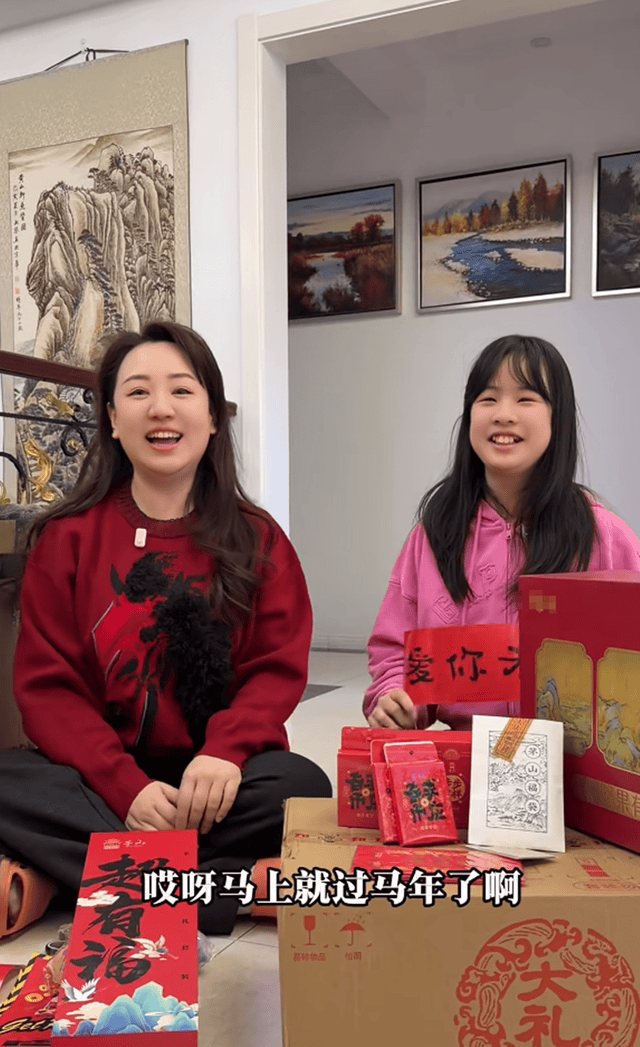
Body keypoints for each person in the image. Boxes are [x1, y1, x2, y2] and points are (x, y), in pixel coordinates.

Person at [0, 320, 331, 940]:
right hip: (102, 779)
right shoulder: (66, 538)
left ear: (212, 417)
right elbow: (49, 691)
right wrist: (125, 788)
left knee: (302, 787)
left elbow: (275, 671)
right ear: (111, 418)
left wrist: (224, 754)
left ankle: (88, 877)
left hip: (216, 784)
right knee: (8, 783)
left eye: (181, 390)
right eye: (137, 392)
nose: (160, 409)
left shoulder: (258, 538)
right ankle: (221, 889)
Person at [364, 334, 640, 731]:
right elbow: (396, 654)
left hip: (574, 756)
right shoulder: (435, 535)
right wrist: (396, 699)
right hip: (467, 754)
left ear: (557, 418)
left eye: (526, 398)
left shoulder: (605, 537)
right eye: (488, 398)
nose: (503, 414)